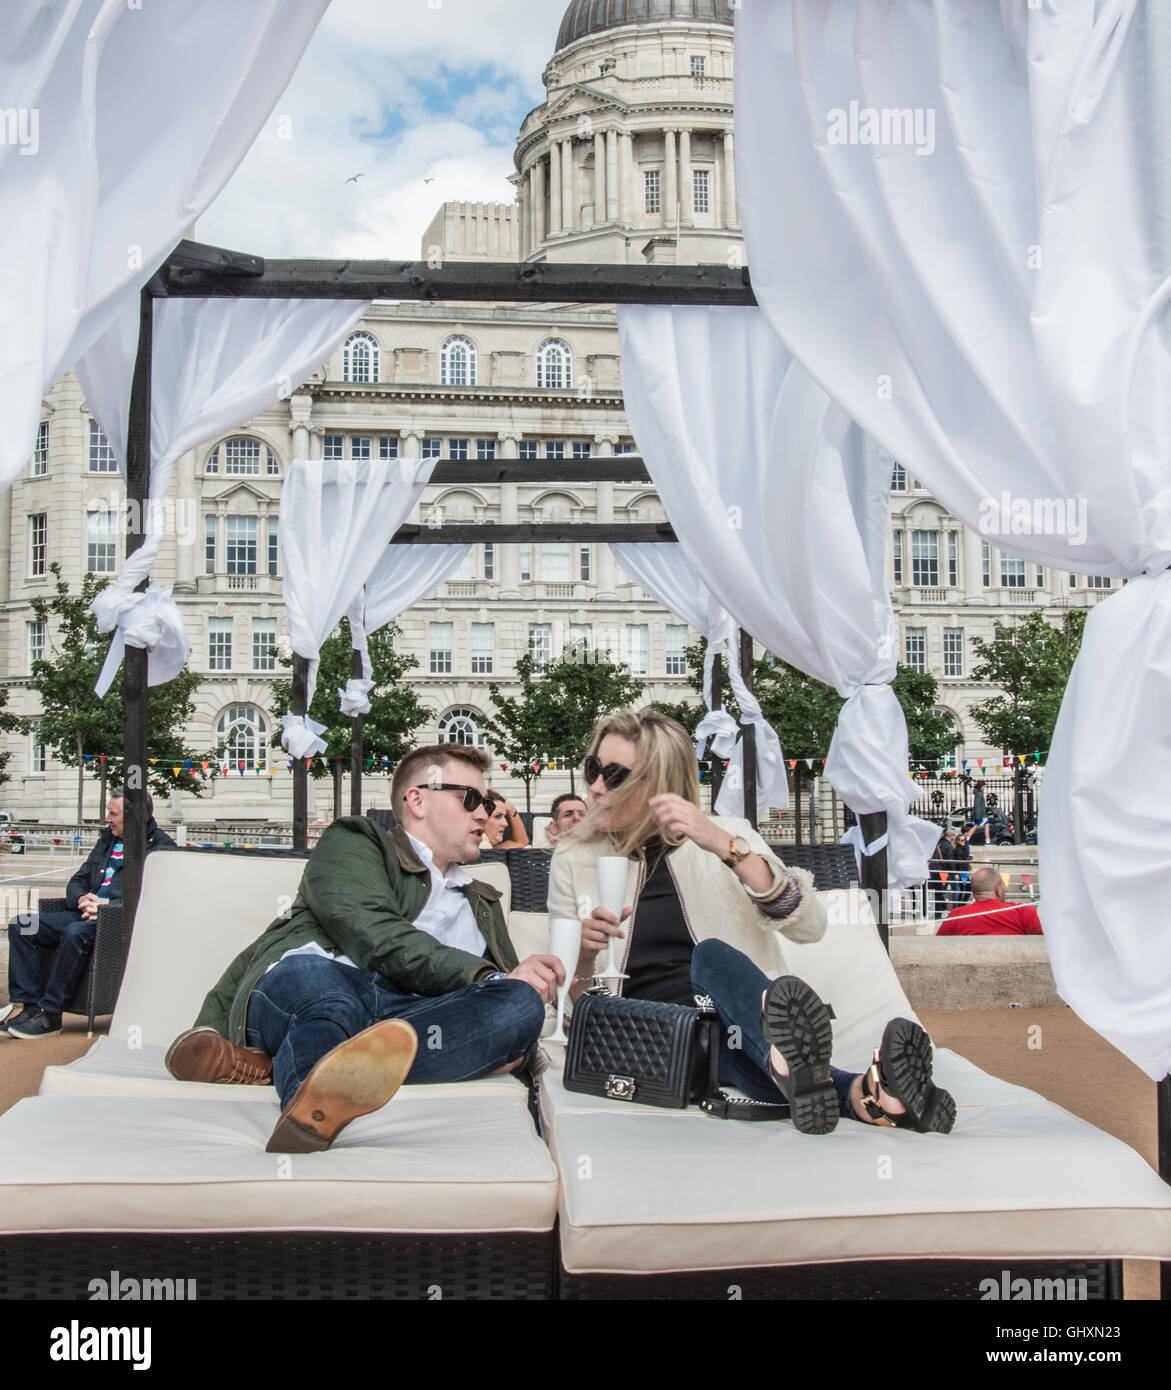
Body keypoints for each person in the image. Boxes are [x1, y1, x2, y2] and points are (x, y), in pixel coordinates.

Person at [549, 708, 955, 1136]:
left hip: (728, 1023)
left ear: (657, 785)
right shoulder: (574, 858)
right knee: (727, 1039)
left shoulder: (727, 834)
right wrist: (584, 954)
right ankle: (848, 1084)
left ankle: (852, 1089)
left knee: (714, 966)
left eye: (613, 775)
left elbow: (809, 926)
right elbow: (568, 998)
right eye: (592, 768)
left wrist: (729, 850)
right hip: (646, 1036)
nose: (594, 788)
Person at [164, 743, 564, 1153]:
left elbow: (495, 1003)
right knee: (319, 984)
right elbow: (375, 935)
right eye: (471, 799)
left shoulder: (482, 899)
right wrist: (482, 978)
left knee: (518, 1004)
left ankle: (285, 1064)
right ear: (417, 800)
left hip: (409, 1025)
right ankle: (312, 1105)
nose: (484, 812)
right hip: (322, 987)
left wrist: (514, 1005)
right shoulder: (356, 840)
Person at [1, 789, 175, 1040]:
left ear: (134, 817)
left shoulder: (161, 847)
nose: (106, 818)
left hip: (118, 923)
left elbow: (157, 897)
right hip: (83, 914)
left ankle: (50, 1015)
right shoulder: (108, 840)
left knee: (74, 932)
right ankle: (30, 1009)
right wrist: (81, 898)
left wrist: (109, 907)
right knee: (22, 924)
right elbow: (78, 881)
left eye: (112, 814)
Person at [938, 866, 1043, 935]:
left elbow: (939, 946)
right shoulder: (1022, 912)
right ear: (999, 891)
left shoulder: (956, 915)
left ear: (974, 893)